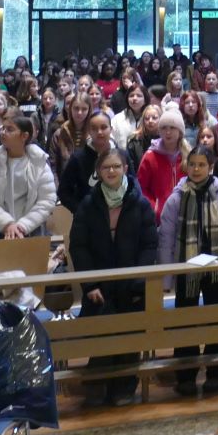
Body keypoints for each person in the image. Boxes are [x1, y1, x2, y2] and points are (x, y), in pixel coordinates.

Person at [69, 147, 157, 406]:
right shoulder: (88, 205)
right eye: (106, 167)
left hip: (131, 286)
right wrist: (90, 285)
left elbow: (150, 245)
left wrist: (138, 280)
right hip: (100, 287)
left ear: (125, 169)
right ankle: (97, 384)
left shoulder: (140, 203)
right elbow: (79, 247)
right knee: (102, 335)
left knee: (129, 336)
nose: (111, 171)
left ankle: (124, 387)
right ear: (98, 171)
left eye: (116, 166)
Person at [159, 145, 218, 396]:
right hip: (187, 270)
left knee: (216, 321)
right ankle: (185, 375)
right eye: (192, 164)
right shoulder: (176, 198)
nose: (196, 169)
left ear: (211, 167)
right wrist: (166, 278)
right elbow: (166, 240)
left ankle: (217, 373)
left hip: (216, 269)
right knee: (186, 323)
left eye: (202, 165)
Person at [0, 115, 57, 240]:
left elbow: (47, 200)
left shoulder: (39, 163)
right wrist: (7, 224)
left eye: (9, 129)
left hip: (31, 231)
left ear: (24, 136)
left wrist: (22, 226)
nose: (3, 132)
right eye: (3, 128)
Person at [58, 111, 116, 214]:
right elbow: (63, 192)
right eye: (94, 128)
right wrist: (80, 210)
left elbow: (133, 185)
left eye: (104, 127)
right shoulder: (78, 158)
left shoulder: (121, 155)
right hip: (87, 218)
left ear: (111, 129)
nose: (99, 132)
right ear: (89, 131)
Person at [135, 109, 188, 219]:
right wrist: (154, 207)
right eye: (164, 128)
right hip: (160, 218)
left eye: (172, 128)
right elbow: (141, 187)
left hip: (185, 215)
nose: (168, 132)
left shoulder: (188, 155)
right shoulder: (150, 156)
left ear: (180, 131)